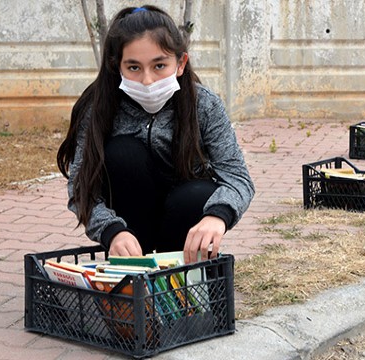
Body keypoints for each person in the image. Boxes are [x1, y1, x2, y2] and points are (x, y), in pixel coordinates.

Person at [56, 5, 254, 264]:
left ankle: (184, 277)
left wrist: (218, 216)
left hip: (184, 222)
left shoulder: (203, 105)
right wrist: (112, 232)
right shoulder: (98, 110)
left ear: (180, 63)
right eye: (134, 68)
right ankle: (136, 277)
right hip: (132, 228)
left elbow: (238, 178)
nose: (147, 81)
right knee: (123, 153)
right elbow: (82, 188)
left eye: (159, 65)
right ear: (118, 67)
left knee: (197, 193)